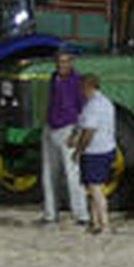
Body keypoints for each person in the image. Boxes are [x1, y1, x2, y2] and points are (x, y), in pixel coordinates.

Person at [39, 51, 88, 225]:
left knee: (72, 172)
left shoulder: (77, 81)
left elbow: (82, 107)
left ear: (71, 62)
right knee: (49, 173)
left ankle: (81, 214)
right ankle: (50, 214)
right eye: (59, 61)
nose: (62, 65)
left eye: (65, 61)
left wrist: (77, 132)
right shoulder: (54, 78)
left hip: (68, 128)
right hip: (51, 127)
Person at [72, 74, 117, 234]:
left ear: (87, 86)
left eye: (81, 87)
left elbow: (89, 131)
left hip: (95, 151)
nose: (79, 90)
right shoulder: (106, 102)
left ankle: (105, 224)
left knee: (96, 190)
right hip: (107, 148)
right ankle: (95, 222)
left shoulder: (92, 105)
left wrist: (78, 150)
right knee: (94, 188)